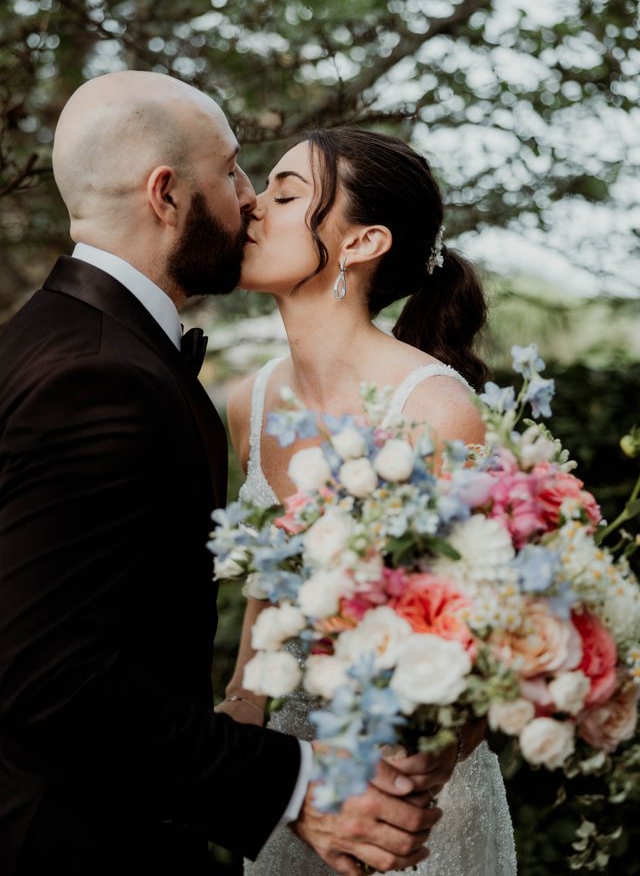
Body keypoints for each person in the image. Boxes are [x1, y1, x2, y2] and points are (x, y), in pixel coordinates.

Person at [0, 73, 448, 876]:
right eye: (236, 171)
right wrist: (292, 785)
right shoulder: (98, 378)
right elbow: (47, 675)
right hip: (67, 841)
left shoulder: (55, 345)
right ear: (166, 194)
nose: (248, 202)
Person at [221, 127, 518, 875]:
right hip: (292, 786)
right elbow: (268, 576)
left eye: (287, 194)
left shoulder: (434, 410)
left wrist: (409, 776)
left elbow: (486, 644)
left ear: (361, 243)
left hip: (415, 799)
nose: (253, 204)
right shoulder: (246, 401)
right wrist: (241, 707)